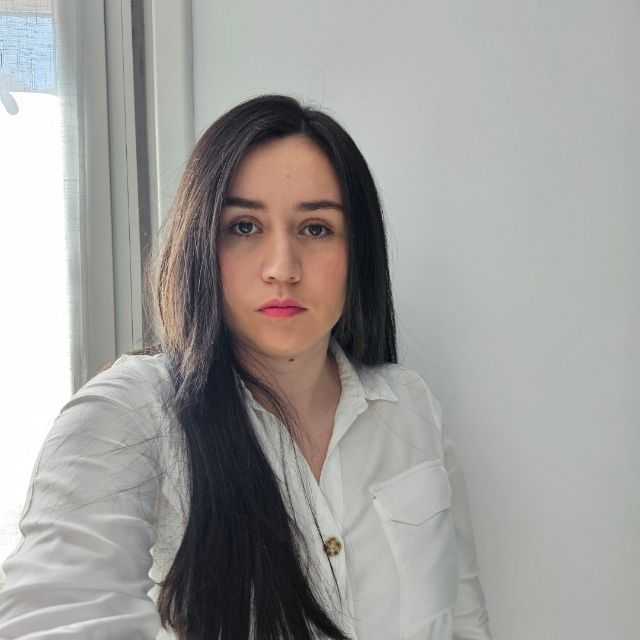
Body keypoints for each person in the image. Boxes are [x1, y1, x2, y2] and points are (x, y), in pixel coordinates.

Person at [0, 94, 493, 639]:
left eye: (316, 228)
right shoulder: (131, 413)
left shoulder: (410, 407)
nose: (282, 268)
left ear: (359, 252)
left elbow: (463, 617)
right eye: (244, 227)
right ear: (200, 243)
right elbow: (57, 616)